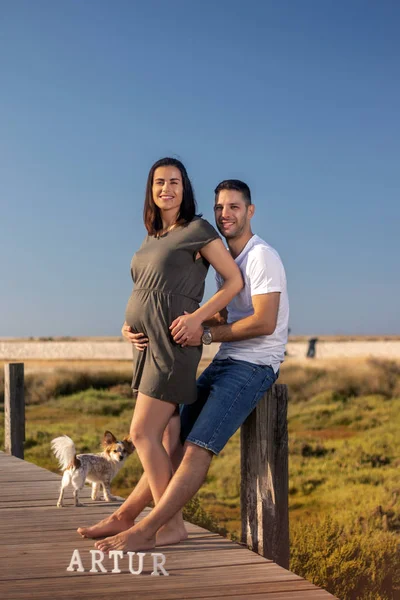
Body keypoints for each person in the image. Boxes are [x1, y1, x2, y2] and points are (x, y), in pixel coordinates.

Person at [78, 178, 289, 552]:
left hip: (254, 366)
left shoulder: (261, 257)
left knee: (196, 448)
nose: (226, 214)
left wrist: (205, 335)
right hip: (226, 361)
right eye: (220, 207)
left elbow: (265, 322)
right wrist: (173, 323)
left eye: (235, 207)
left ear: (250, 211)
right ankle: (123, 516)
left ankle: (152, 528)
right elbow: (222, 316)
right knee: (168, 443)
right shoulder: (229, 258)